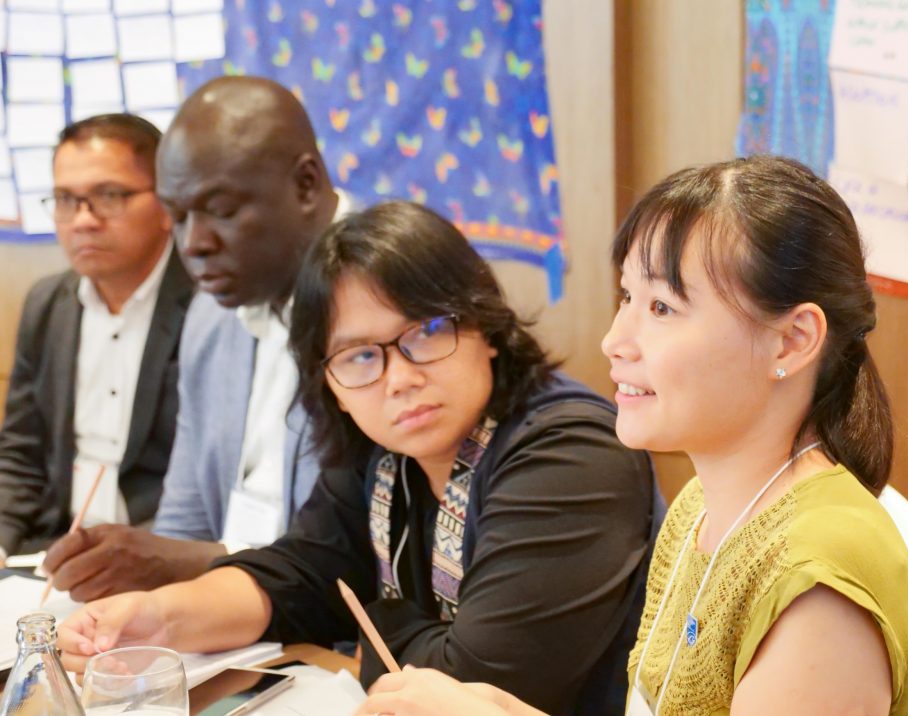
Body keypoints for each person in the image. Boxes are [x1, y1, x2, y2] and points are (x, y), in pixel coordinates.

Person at [353, 156, 908, 715]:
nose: (615, 340)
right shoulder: (700, 509)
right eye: (627, 296)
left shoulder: (820, 587)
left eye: (662, 307)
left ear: (791, 341)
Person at [58, 200, 658, 716]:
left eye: (425, 331)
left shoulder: (572, 452)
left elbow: (478, 687)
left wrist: (376, 622)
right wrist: (155, 620)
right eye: (360, 357)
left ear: (486, 327)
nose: (398, 379)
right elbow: (304, 573)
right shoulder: (383, 451)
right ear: (333, 387)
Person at [41, 76, 354, 601]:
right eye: (179, 217)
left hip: (345, 640)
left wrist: (186, 563)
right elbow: (183, 519)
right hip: (227, 616)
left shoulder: (385, 305)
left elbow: (364, 558)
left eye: (222, 211)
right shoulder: (211, 312)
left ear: (305, 186)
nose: (195, 245)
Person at [0, 114, 192, 566]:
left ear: (167, 204)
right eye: (66, 199)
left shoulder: (211, 306)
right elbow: (21, 452)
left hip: (162, 557)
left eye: (108, 196)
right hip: (50, 552)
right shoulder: (48, 303)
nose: (82, 220)